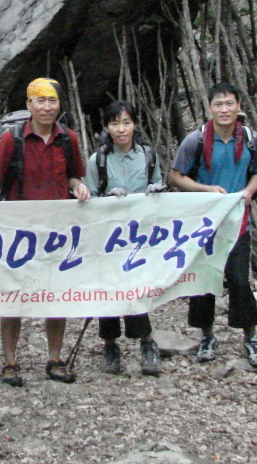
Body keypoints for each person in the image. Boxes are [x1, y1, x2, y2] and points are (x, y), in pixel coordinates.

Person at [0, 77, 90, 386]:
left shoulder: (68, 139)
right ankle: (10, 362)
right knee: (13, 297)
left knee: (57, 296)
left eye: (52, 100)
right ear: (28, 105)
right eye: (39, 100)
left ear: (59, 105)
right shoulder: (11, 139)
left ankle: (54, 358)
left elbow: (73, 177)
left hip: (56, 232)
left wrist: (79, 186)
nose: (46, 107)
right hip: (19, 234)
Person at [169, 82, 257, 369]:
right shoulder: (196, 141)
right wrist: (205, 189)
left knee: (238, 279)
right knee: (204, 281)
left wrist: (249, 191)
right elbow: (176, 176)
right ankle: (207, 335)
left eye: (229, 104)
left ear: (239, 107)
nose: (224, 110)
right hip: (203, 225)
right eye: (218, 105)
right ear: (209, 108)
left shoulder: (251, 140)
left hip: (238, 223)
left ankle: (250, 336)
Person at [85, 100, 166, 377]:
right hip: (109, 239)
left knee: (136, 288)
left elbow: (157, 186)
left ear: (135, 124)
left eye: (126, 122)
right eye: (115, 123)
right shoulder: (99, 160)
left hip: (139, 238)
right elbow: (90, 200)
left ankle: (146, 341)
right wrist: (108, 200)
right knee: (108, 289)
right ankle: (110, 345)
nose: (121, 129)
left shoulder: (148, 156)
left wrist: (156, 191)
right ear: (106, 127)